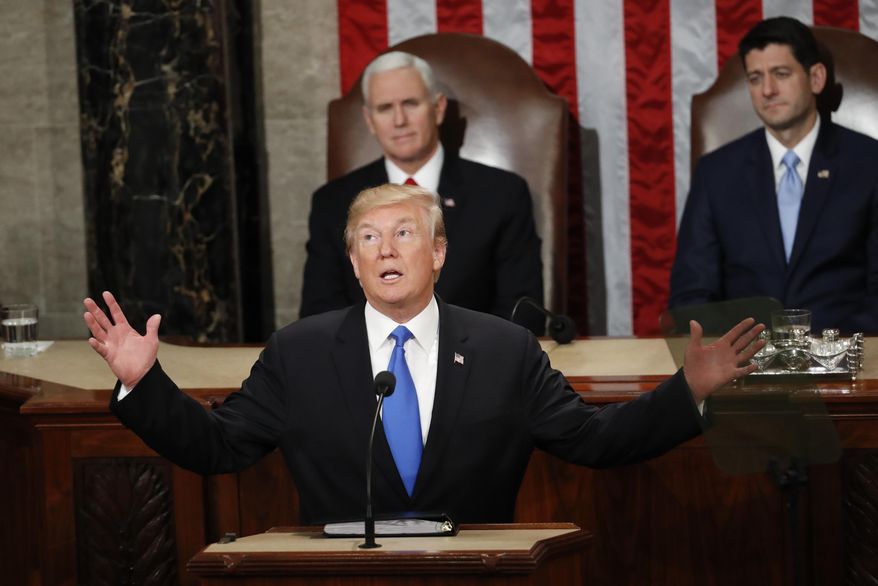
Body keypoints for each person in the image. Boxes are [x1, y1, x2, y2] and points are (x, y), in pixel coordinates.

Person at [84, 184, 764, 525]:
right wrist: (145, 385)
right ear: (352, 261)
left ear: (437, 253)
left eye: (404, 233)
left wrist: (689, 391)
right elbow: (220, 448)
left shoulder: (504, 348)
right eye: (369, 238)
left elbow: (594, 440)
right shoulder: (299, 353)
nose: (386, 249)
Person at [300, 51, 545, 332]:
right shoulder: (332, 203)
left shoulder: (502, 194)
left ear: (438, 108)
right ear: (369, 120)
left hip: (474, 365)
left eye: (410, 103)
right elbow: (319, 316)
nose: (399, 120)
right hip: (368, 368)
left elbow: (522, 311)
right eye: (385, 108)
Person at [669, 16, 878, 334]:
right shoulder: (717, 173)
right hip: (745, 367)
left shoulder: (869, 162)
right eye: (755, 78)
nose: (767, 90)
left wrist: (838, 353)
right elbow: (692, 296)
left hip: (847, 362)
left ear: (816, 78)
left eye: (781, 74)